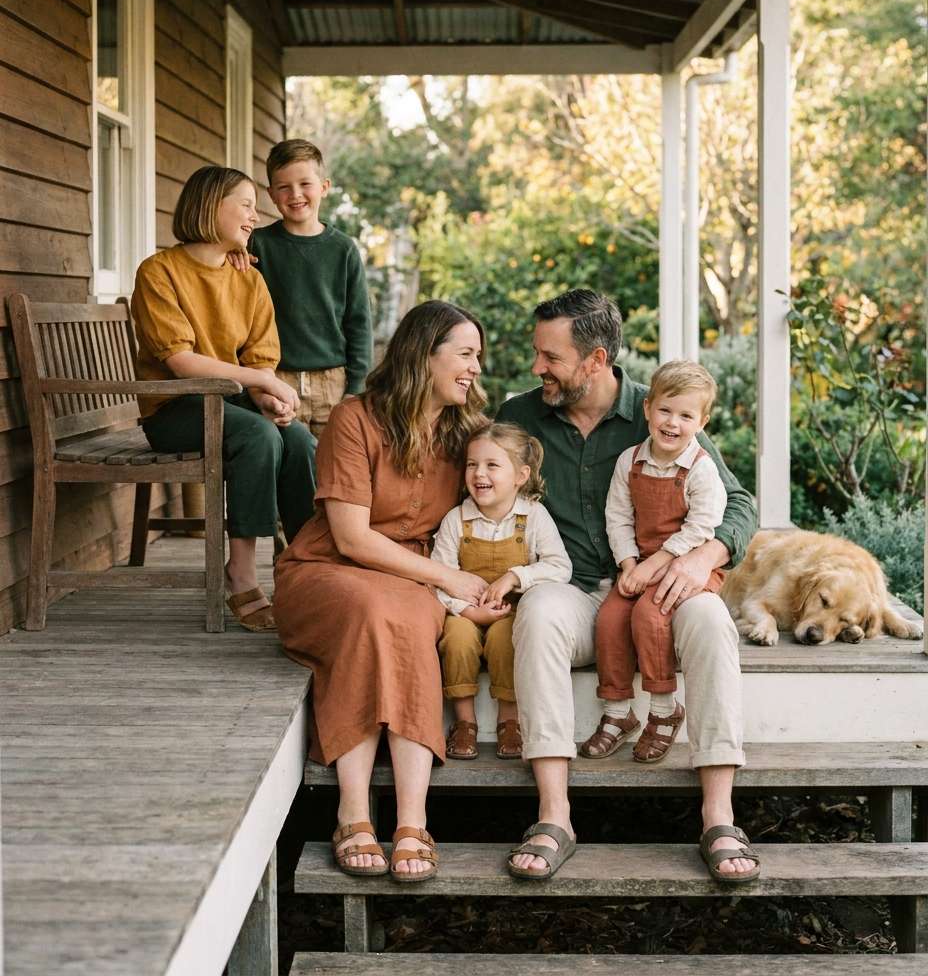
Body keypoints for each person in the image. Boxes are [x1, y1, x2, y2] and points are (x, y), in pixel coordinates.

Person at [497, 289, 760, 884]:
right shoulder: (520, 416)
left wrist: (704, 558)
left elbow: (736, 502)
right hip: (570, 585)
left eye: (551, 357)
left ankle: (718, 816)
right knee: (536, 614)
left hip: (660, 589)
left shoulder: (664, 409)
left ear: (595, 360)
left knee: (714, 621)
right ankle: (554, 815)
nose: (538, 367)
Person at [273, 301, 488, 881]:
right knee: (373, 610)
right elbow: (350, 538)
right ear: (425, 355)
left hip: (412, 577)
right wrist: (449, 578)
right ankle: (352, 812)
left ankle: (412, 820)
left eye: (478, 358)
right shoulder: (354, 419)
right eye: (466, 355)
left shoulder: (465, 431)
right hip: (326, 570)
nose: (475, 369)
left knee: (412, 620)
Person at [131, 166, 316, 631]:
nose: (255, 216)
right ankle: (242, 573)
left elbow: (260, 357)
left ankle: (308, 566)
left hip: (230, 407)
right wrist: (262, 384)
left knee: (296, 440)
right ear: (210, 205)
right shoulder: (160, 272)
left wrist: (268, 394)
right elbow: (180, 362)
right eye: (246, 204)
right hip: (174, 409)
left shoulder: (247, 279)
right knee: (258, 437)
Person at [580, 360, 727, 765]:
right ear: (648, 408)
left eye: (686, 415)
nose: (672, 423)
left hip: (686, 568)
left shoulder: (701, 468)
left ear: (702, 421)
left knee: (649, 615)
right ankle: (617, 712)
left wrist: (654, 565)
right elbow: (618, 516)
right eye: (665, 410)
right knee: (610, 618)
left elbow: (702, 528)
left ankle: (664, 712)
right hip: (639, 563)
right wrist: (628, 564)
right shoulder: (631, 461)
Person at [431, 423, 572, 761]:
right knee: (458, 640)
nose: (479, 473)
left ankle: (509, 720)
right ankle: (464, 723)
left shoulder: (533, 516)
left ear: (521, 475)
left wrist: (515, 576)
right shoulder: (456, 520)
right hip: (463, 611)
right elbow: (439, 576)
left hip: (510, 612)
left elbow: (559, 566)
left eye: (492, 465)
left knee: (505, 641)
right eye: (472, 464)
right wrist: (466, 610)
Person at [248, 139, 372, 439]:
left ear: (324, 187)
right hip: (275, 379)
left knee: (331, 470)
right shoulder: (256, 244)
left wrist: (356, 387)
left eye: (305, 183)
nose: (296, 194)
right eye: (284, 187)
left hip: (333, 382)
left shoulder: (343, 249)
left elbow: (359, 322)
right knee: (286, 467)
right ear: (271, 195)